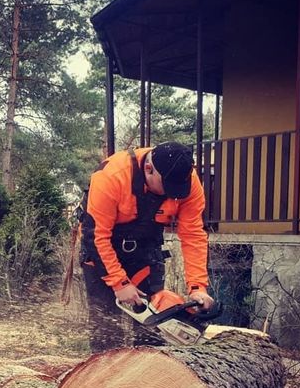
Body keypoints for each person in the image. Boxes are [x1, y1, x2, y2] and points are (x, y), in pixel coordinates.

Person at [80, 141, 215, 352]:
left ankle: (149, 376)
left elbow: (193, 235)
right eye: (167, 186)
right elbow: (96, 236)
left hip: (145, 251)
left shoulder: (187, 182)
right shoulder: (111, 176)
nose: (173, 194)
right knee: (106, 327)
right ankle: (105, 376)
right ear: (149, 169)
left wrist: (198, 287)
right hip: (103, 253)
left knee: (154, 325)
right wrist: (119, 283)